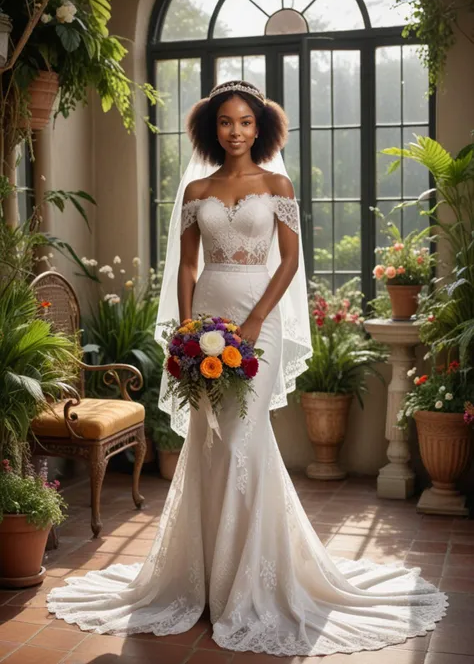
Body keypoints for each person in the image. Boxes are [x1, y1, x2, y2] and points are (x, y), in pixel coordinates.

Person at [47, 81, 447, 657]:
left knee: (240, 440)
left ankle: (250, 585)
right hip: (206, 319)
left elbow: (289, 261)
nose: (235, 131)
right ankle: (207, 579)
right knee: (212, 441)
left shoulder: (276, 186)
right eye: (226, 122)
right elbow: (186, 266)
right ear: (213, 128)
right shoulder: (198, 188)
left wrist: (259, 319)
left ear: (261, 130)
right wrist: (185, 329)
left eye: (246, 123)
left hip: (258, 322)